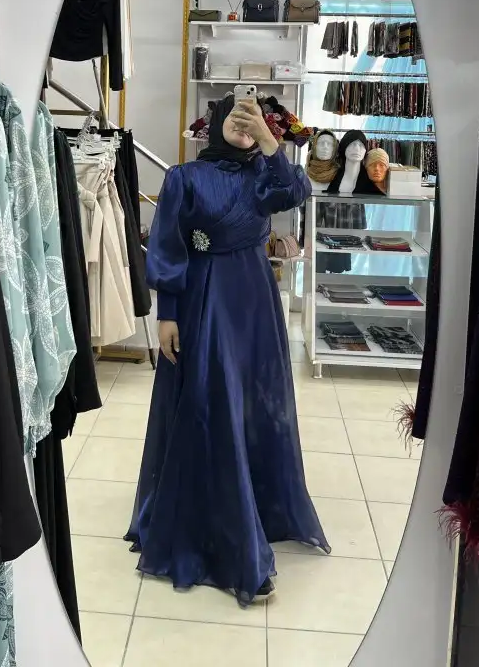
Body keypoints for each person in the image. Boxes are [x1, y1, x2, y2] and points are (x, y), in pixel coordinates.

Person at [125, 95, 330, 605]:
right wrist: (167, 313)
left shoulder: (264, 175)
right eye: (235, 118)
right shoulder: (184, 177)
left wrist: (268, 138)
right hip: (205, 300)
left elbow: (297, 191)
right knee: (211, 401)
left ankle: (257, 504)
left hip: (255, 301)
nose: (242, 126)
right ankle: (227, 532)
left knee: (255, 402)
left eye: (250, 118)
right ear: (215, 124)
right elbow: (167, 245)